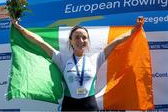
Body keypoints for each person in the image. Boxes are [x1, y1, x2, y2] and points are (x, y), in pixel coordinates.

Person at [11, 17, 144, 111]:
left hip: (90, 106)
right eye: (77, 37)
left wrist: (135, 29)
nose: (81, 40)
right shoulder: (61, 59)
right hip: (70, 106)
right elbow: (39, 42)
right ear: (71, 41)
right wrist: (19, 28)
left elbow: (117, 41)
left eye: (84, 37)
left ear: (88, 40)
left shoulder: (96, 59)